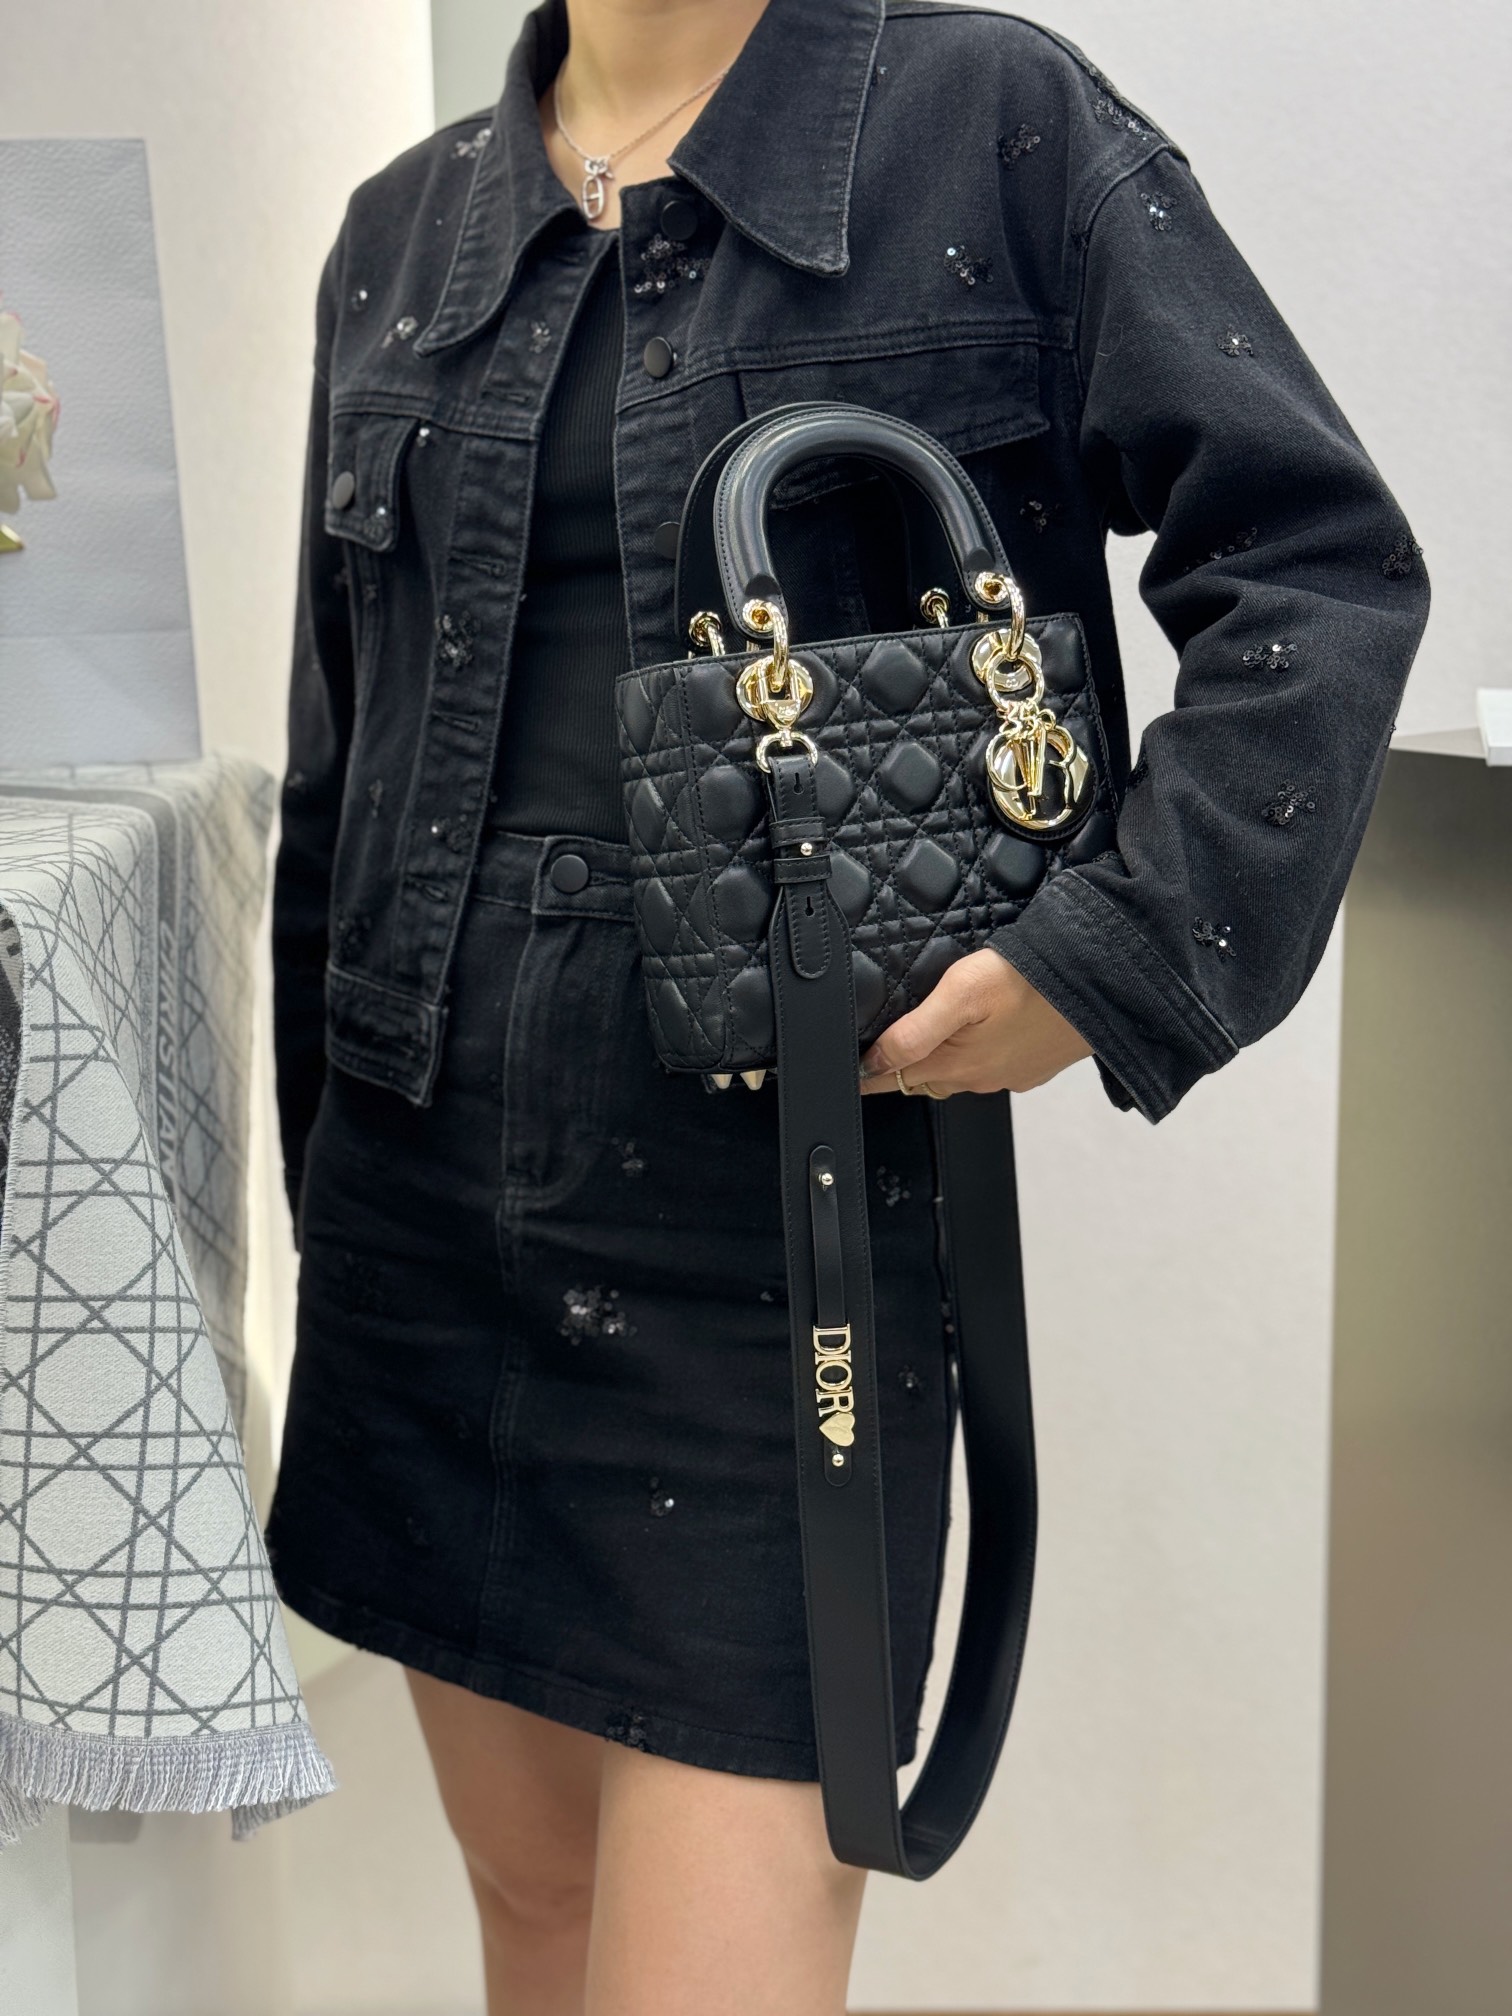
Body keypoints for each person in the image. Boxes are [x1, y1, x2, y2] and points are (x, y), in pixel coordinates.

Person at [263, 2, 1429, 2010]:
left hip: (773, 1245)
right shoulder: (402, 225)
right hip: (420, 1229)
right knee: (531, 1917)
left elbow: (1317, 569)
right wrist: (321, 1203)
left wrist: (1111, 956)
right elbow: (335, 761)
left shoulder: (988, 125)